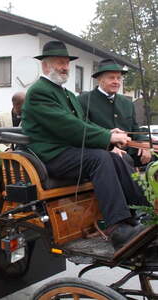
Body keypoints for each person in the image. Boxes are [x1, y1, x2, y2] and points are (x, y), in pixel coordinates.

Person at [21, 40, 149, 251]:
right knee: (100, 158)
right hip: (51, 155)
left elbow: (82, 123)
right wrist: (107, 139)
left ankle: (139, 214)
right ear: (45, 66)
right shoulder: (38, 92)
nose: (64, 67)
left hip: (68, 151)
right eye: (59, 63)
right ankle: (117, 227)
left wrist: (109, 132)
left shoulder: (67, 94)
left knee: (117, 156)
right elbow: (67, 126)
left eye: (66, 63)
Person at [78, 58, 151, 167]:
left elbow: (135, 129)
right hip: (104, 151)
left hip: (130, 150)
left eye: (119, 78)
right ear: (99, 79)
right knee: (123, 159)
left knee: (154, 154)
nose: (116, 82)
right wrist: (109, 144)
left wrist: (144, 144)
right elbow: (83, 131)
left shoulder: (127, 103)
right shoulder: (83, 100)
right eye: (111, 78)